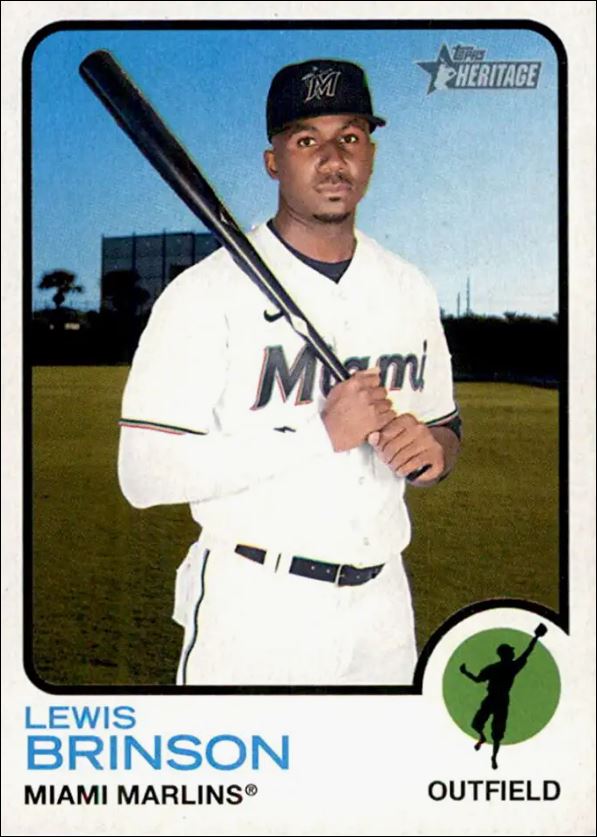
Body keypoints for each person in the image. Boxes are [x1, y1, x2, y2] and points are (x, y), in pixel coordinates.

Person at [117, 58, 461, 686]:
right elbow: (143, 475)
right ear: (273, 161)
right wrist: (319, 436)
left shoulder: (409, 287)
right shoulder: (204, 295)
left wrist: (433, 451)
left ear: (371, 154)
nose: (333, 159)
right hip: (257, 606)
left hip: (385, 607)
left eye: (350, 137)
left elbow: (445, 426)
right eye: (307, 140)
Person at [460, 624, 547, 769]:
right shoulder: (509, 667)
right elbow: (527, 652)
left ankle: (493, 757)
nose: (513, 653)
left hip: (499, 700)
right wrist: (536, 637)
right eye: (511, 651)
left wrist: (465, 672)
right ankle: (483, 739)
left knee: (495, 731)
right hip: (496, 699)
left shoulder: (503, 667)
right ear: (506, 654)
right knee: (481, 726)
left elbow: (477, 679)